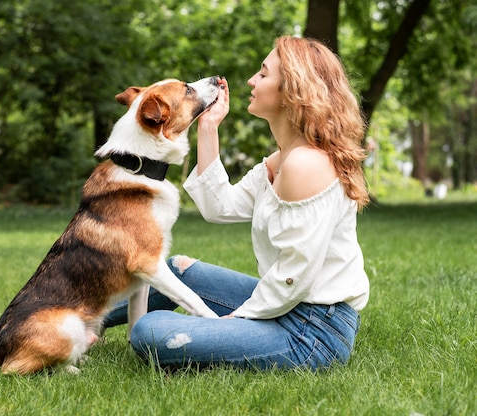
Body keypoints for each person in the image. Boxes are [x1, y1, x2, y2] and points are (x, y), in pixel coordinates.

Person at [104, 36, 370, 371]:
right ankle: (84, 318)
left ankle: (92, 322)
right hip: (289, 307)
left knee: (148, 331)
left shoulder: (306, 165)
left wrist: (237, 319)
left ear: (292, 91)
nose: (250, 81)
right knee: (176, 270)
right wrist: (209, 127)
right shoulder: (283, 158)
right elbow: (221, 207)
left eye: (263, 73)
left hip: (312, 332)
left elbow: (294, 276)